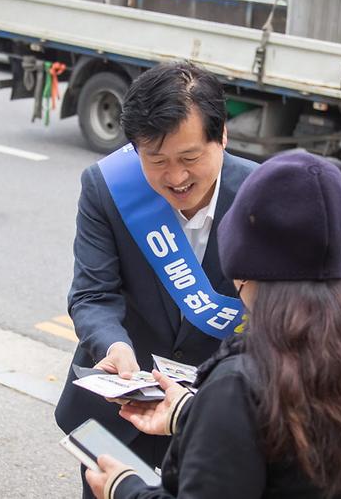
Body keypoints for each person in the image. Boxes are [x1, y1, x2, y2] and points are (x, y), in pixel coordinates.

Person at [84, 150, 341, 499]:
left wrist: (124, 489)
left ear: (242, 262)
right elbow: (281, 446)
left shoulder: (239, 382)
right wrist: (190, 412)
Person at [55, 61, 258, 498]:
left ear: (221, 136)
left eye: (189, 158)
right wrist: (115, 346)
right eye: (157, 161)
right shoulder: (108, 187)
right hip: (119, 416)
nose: (176, 177)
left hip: (214, 421)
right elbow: (92, 293)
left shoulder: (261, 196)